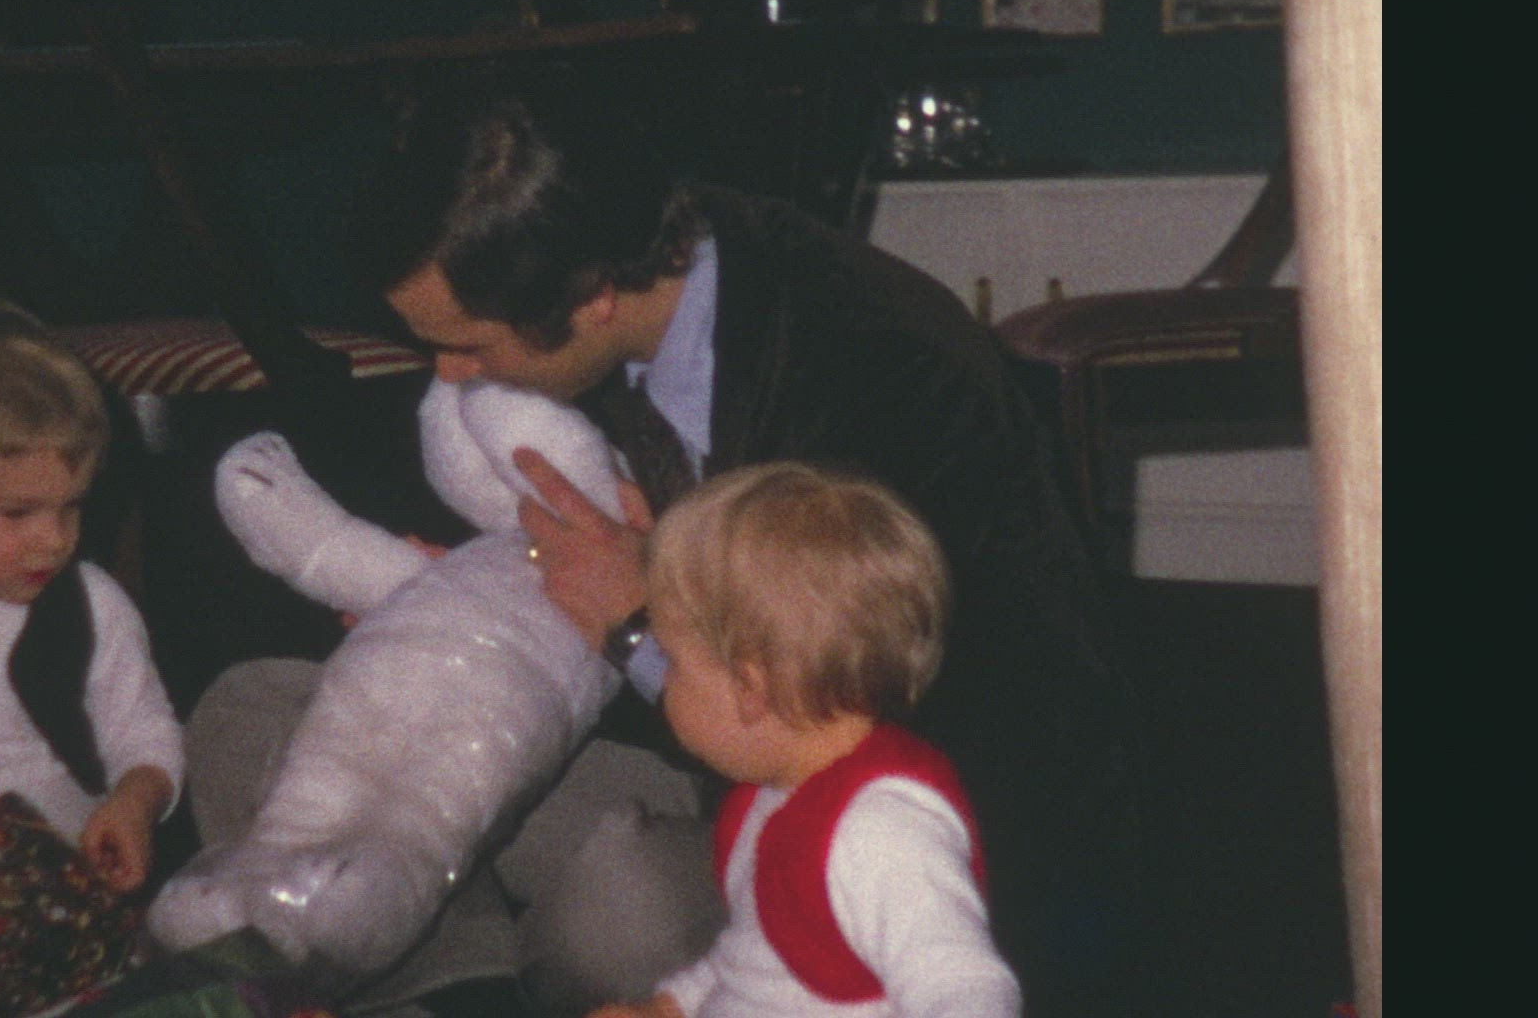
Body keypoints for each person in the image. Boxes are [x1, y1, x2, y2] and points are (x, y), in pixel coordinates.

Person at [355, 70, 1140, 1015]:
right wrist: (480, 598)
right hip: (722, 759)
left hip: (913, 843)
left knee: (621, 916)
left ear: (592, 293)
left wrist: (635, 624)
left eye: (471, 346)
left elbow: (850, 720)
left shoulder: (872, 370)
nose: (450, 375)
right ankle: (462, 981)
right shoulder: (623, 300)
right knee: (282, 711)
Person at [591, 460, 1022, 1017]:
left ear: (751, 688)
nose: (663, 680)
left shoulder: (881, 830)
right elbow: (751, 961)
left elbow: (965, 988)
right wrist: (669, 1007)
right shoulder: (778, 793)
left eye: (671, 660)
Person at [0, 300, 187, 1017]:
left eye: (72, 506)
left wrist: (136, 800)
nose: (54, 539)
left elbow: (144, 730)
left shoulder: (89, 604)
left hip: (67, 906)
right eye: (17, 513)